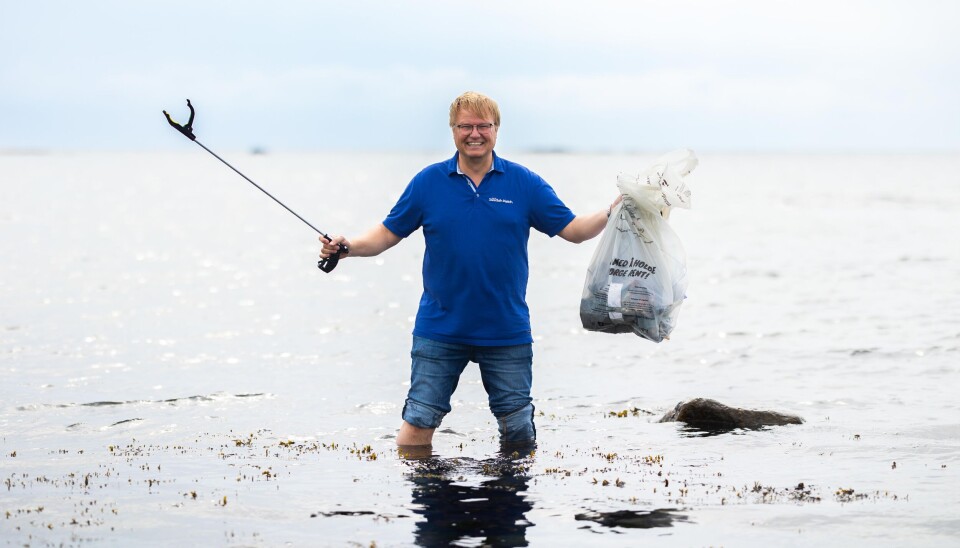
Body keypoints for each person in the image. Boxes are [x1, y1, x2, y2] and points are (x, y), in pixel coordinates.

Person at [320, 91, 619, 447]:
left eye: (483, 126)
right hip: (440, 328)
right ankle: (422, 499)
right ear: (453, 130)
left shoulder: (524, 183)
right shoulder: (427, 183)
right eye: (465, 126)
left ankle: (509, 499)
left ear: (496, 130)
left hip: (506, 329)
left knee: (519, 434)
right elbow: (386, 234)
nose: (474, 133)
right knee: (415, 429)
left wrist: (612, 212)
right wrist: (348, 247)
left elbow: (573, 230)